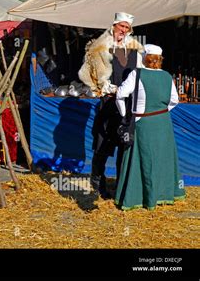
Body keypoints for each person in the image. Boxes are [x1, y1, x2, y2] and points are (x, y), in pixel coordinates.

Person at [78, 12, 144, 198]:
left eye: (126, 27)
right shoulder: (101, 47)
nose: (123, 30)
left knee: (124, 144)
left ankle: (122, 187)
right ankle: (98, 183)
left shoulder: (134, 49)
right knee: (103, 145)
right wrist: (109, 88)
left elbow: (139, 74)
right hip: (108, 102)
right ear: (114, 25)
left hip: (128, 103)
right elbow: (93, 75)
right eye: (120, 26)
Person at [115, 44, 185, 210]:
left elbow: (120, 94)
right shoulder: (167, 76)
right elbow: (174, 100)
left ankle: (139, 197)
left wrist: (126, 115)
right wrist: (160, 111)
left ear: (145, 57)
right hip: (163, 123)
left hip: (143, 122)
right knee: (161, 158)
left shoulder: (137, 74)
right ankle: (163, 195)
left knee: (142, 159)